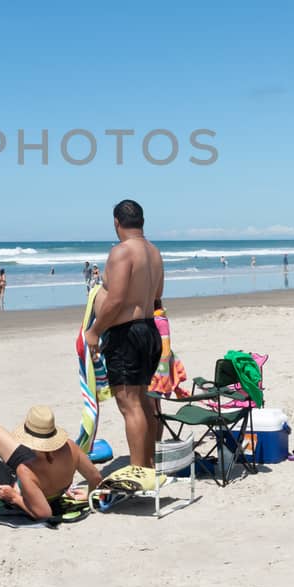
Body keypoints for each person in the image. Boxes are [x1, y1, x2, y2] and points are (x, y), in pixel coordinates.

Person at [84, 199, 165, 470]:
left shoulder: (121, 252)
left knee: (129, 405)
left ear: (116, 223)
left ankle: (139, 470)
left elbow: (116, 300)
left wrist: (95, 331)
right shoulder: (154, 252)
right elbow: (156, 296)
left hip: (126, 335)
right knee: (142, 400)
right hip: (149, 331)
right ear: (142, 221)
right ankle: (149, 464)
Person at [0, 406, 103, 520]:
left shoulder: (26, 470)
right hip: (44, 478)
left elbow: (44, 513)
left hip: (18, 489)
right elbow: (95, 478)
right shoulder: (71, 447)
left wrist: (14, 497)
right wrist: (89, 495)